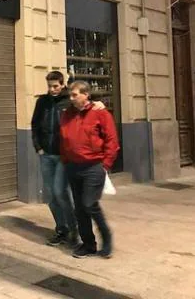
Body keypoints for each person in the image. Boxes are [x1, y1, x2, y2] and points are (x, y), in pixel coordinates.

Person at [31, 71, 104, 247]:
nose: (52, 89)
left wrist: (98, 104)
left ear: (62, 84)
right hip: (46, 155)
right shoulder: (42, 102)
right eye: (49, 86)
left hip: (64, 156)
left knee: (60, 192)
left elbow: (86, 104)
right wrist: (38, 147)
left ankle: (75, 230)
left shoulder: (69, 100)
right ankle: (61, 229)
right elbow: (35, 125)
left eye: (55, 86)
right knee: (51, 195)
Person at [59, 81, 119, 259]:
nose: (71, 98)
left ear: (86, 95)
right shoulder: (67, 114)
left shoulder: (100, 114)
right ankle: (88, 245)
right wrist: (65, 159)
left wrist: (105, 165)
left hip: (93, 167)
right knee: (79, 208)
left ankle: (106, 236)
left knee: (89, 204)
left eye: (75, 94)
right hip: (73, 166)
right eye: (70, 95)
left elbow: (111, 140)